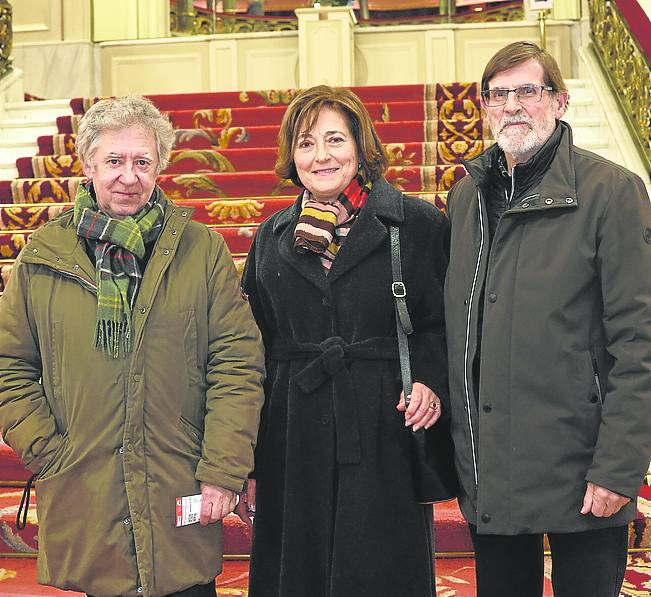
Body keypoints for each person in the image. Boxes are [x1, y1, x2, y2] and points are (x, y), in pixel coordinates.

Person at [0, 96, 265, 597]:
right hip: (86, 489)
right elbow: (8, 366)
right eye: (115, 161)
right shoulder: (41, 258)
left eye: (142, 161)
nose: (128, 176)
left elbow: (237, 365)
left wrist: (223, 470)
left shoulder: (200, 250)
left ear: (160, 166)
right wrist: (49, 450)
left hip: (178, 479)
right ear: (89, 165)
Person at [444, 40, 651, 597]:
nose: (513, 106)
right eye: (499, 95)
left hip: (583, 470)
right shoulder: (466, 197)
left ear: (559, 102)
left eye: (528, 91)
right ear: (484, 108)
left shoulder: (612, 192)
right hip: (493, 471)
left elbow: (641, 343)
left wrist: (619, 467)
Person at [239, 85, 451, 596]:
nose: (322, 156)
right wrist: (247, 457)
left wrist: (429, 382)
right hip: (292, 431)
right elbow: (253, 348)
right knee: (299, 573)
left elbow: (443, 322)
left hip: (384, 425)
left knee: (380, 570)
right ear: (292, 154)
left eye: (335, 139)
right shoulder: (271, 236)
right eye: (306, 143)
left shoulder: (416, 223)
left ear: (361, 146)